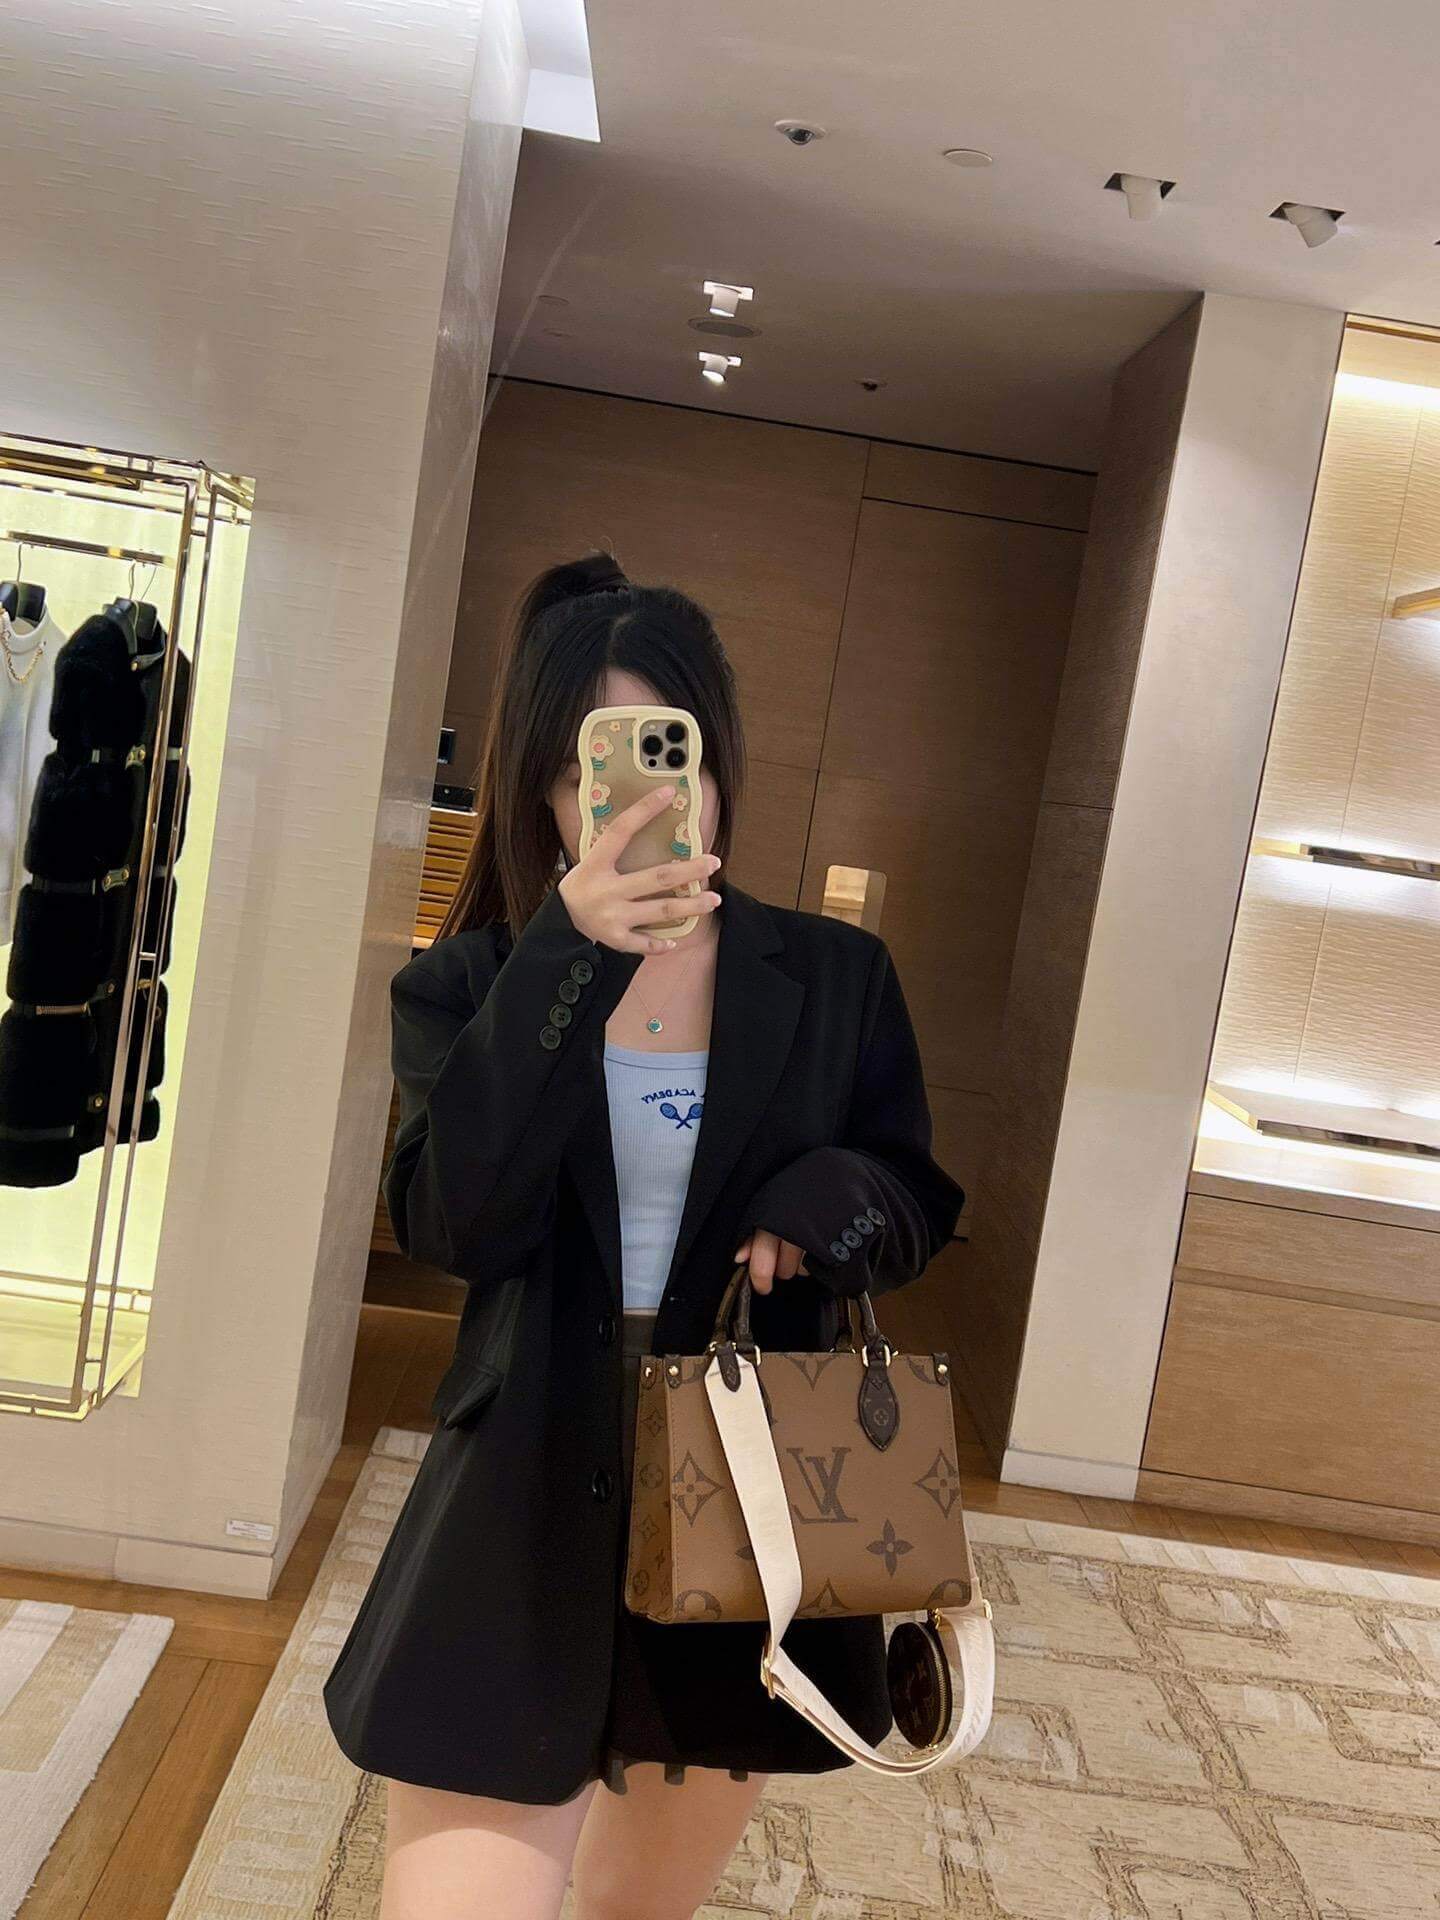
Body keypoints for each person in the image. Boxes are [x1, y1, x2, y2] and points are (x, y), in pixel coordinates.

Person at [322, 553, 965, 1920]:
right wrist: (571, 957)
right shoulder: (474, 984)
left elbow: (917, 1197)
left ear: (718, 764)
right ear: (543, 795)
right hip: (521, 1494)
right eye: (588, 771)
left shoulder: (835, 979)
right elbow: (455, 1223)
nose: (637, 805)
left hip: (745, 1503)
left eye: (669, 759)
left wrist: (831, 1197)